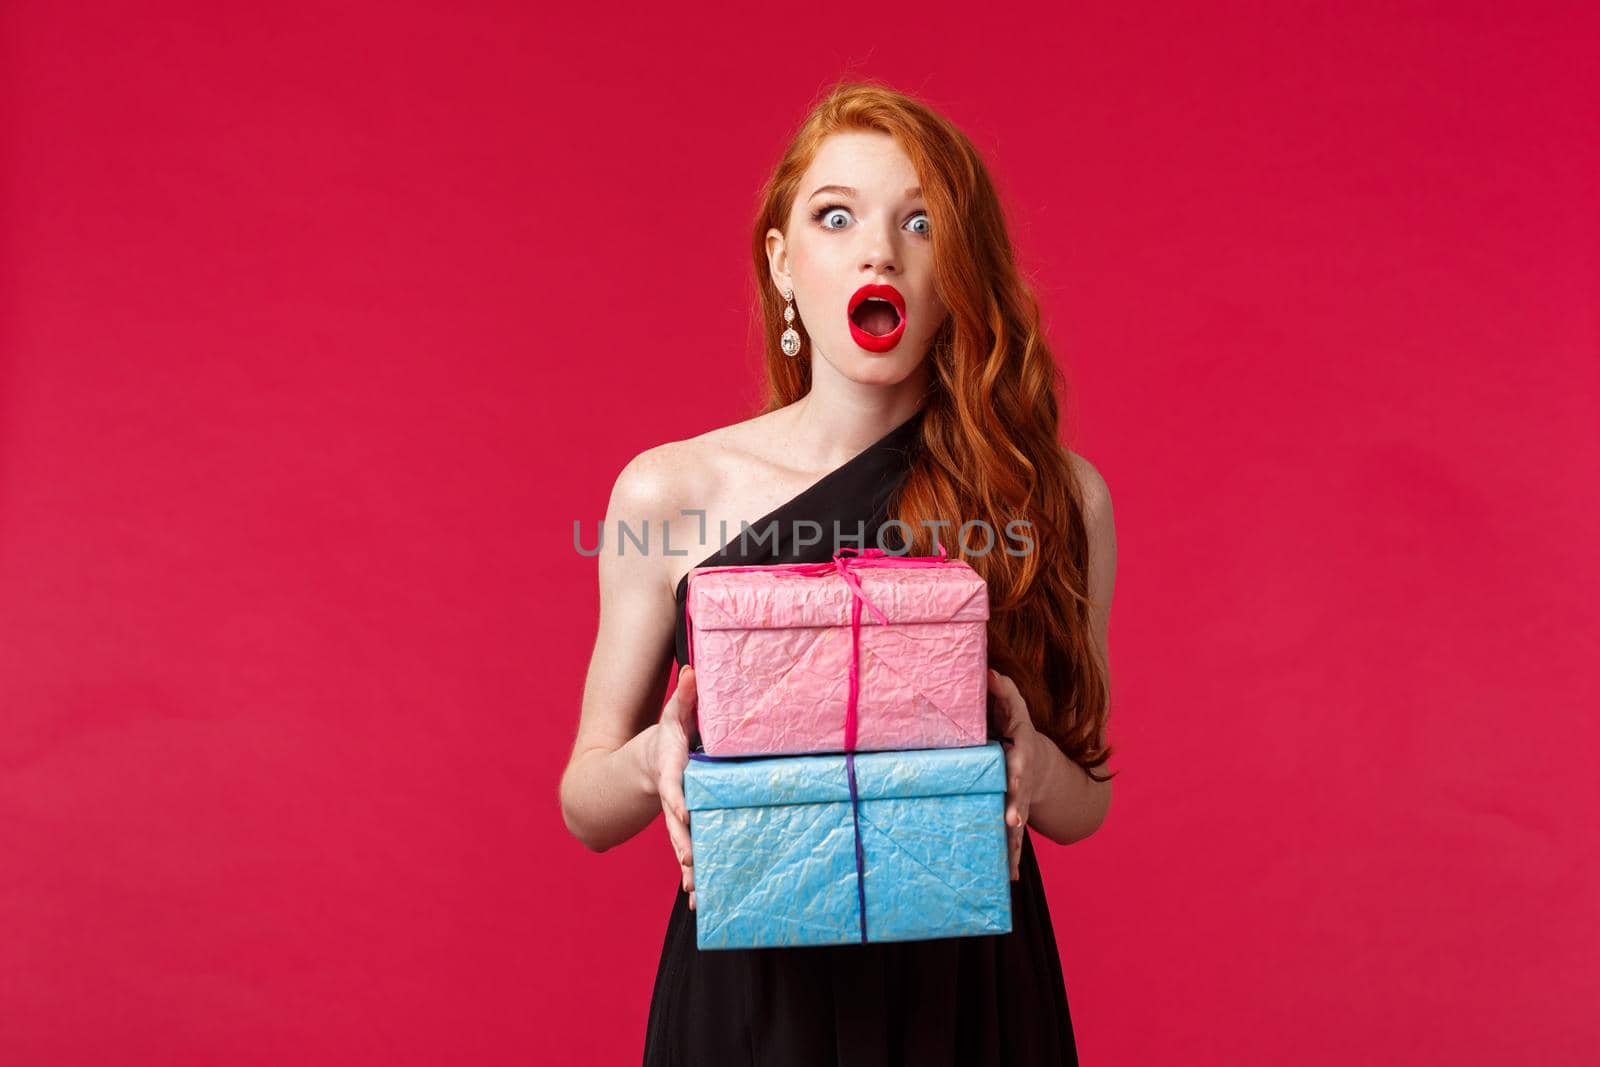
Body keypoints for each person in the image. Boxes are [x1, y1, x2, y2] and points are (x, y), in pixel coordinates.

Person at [558, 79, 1118, 1066]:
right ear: (783, 262)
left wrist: (1026, 750)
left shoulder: (1056, 497)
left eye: (920, 222)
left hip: (969, 996)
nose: (878, 252)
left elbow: (1085, 803)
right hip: (749, 997)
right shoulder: (667, 491)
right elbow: (584, 802)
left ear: (958, 267)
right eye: (835, 216)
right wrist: (658, 756)